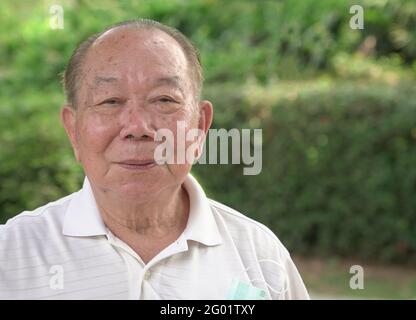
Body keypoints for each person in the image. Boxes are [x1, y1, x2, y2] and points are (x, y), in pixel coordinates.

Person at [0, 19, 309, 300]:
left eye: (164, 100)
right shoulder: (11, 255)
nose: (137, 128)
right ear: (73, 130)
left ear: (200, 127)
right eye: (110, 101)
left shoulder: (259, 255)